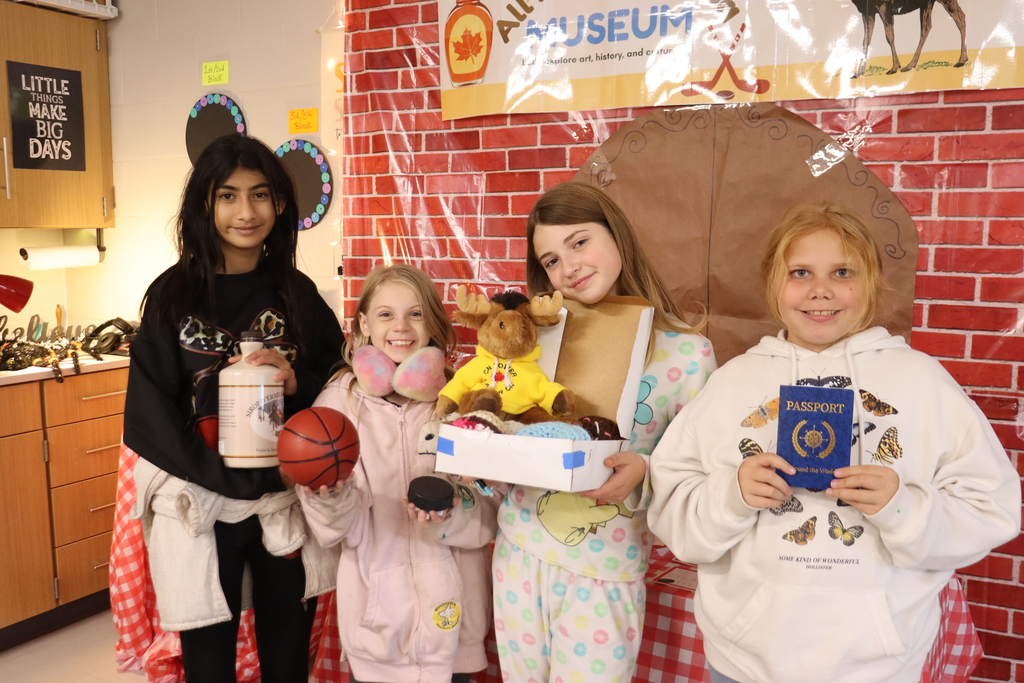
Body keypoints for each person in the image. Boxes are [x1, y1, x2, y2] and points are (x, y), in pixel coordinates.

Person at [648, 202, 1021, 683]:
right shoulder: (731, 383)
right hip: (745, 660)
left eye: (842, 272)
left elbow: (992, 508)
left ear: (870, 284)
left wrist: (903, 508)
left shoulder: (922, 383)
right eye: (800, 272)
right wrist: (732, 494)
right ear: (773, 284)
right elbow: (671, 504)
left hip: (879, 663)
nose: (820, 290)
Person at [122, 134, 344, 683]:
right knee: (209, 655)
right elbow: (148, 413)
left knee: (288, 645)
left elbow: (339, 379)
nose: (246, 212)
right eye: (228, 195)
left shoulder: (297, 292)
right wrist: (221, 479)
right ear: (205, 204)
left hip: (283, 501)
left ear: (280, 204)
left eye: (261, 195)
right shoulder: (172, 296)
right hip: (201, 503)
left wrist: (299, 383)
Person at [489, 181, 717, 682]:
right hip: (518, 551)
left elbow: (703, 470)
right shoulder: (533, 341)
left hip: (606, 567)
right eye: (549, 259)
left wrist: (646, 470)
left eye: (579, 242)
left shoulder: (687, 354)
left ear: (618, 236)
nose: (567, 266)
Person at [297, 263, 500, 683]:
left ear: (434, 324)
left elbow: (492, 504)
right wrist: (331, 496)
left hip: (454, 617)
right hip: (377, 624)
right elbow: (334, 529)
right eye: (386, 314)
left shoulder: (461, 401)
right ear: (364, 325)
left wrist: (452, 513)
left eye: (415, 313)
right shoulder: (337, 404)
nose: (401, 326)